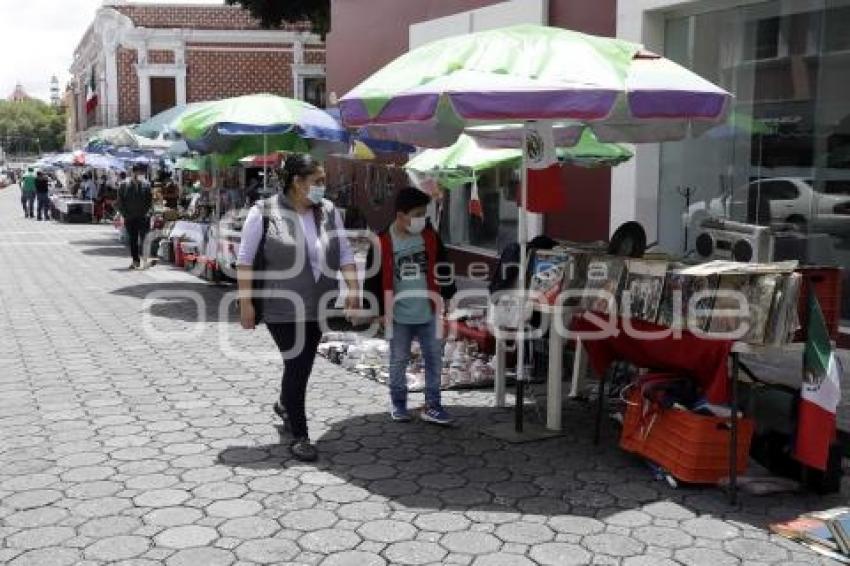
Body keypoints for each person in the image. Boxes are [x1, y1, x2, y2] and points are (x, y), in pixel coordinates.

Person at [236, 154, 359, 462]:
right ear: (296, 181)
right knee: (298, 364)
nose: (323, 187)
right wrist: (246, 303)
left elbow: (344, 251)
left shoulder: (328, 211)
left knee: (299, 365)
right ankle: (300, 434)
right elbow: (245, 261)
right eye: (317, 181)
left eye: (323, 181)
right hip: (281, 306)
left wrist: (353, 289)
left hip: (319, 303)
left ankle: (284, 403)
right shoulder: (263, 212)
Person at [365, 187, 457, 425]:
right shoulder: (382, 241)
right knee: (398, 360)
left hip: (428, 310)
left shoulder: (429, 235)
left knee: (434, 359)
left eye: (423, 214)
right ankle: (398, 403)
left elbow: (443, 264)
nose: (421, 219)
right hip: (398, 314)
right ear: (400, 215)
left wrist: (448, 295)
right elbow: (372, 278)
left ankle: (433, 405)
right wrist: (377, 312)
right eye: (416, 214)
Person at [117, 164, 153, 270]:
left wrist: (148, 213)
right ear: (134, 172)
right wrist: (125, 214)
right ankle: (135, 260)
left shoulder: (146, 185)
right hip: (130, 217)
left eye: (143, 173)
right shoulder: (124, 185)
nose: (141, 174)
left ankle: (146, 260)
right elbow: (120, 201)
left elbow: (149, 200)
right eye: (139, 172)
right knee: (133, 240)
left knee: (145, 239)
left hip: (143, 216)